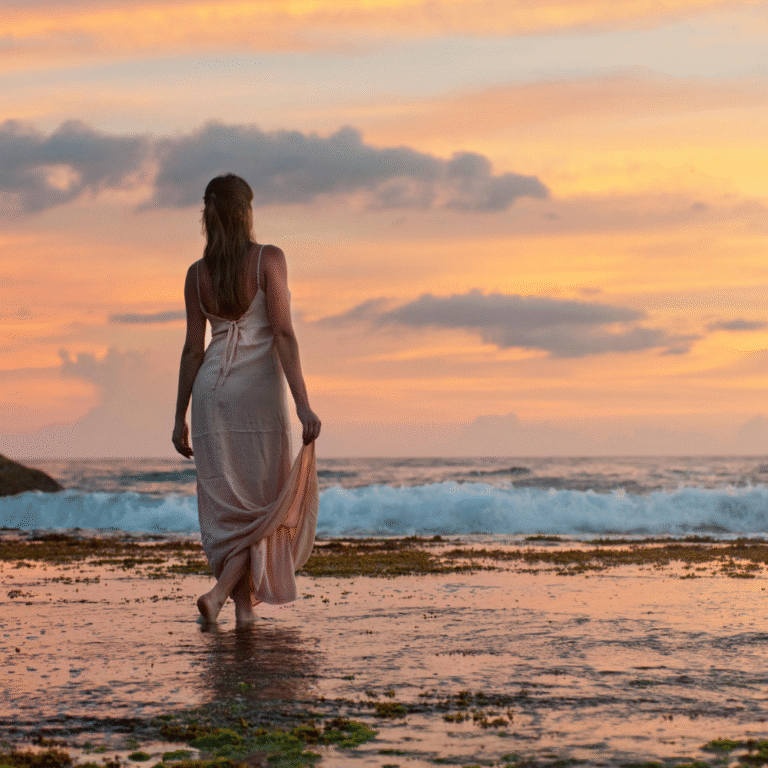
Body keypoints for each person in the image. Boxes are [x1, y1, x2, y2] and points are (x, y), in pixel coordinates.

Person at [172, 173, 321, 625]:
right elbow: (283, 332)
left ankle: (240, 610)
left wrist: (178, 416)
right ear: (247, 212)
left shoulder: (197, 275)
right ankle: (220, 593)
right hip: (257, 395)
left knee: (231, 507)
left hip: (211, 397)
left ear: (208, 215)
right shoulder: (267, 259)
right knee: (267, 504)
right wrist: (303, 403)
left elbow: (193, 349)